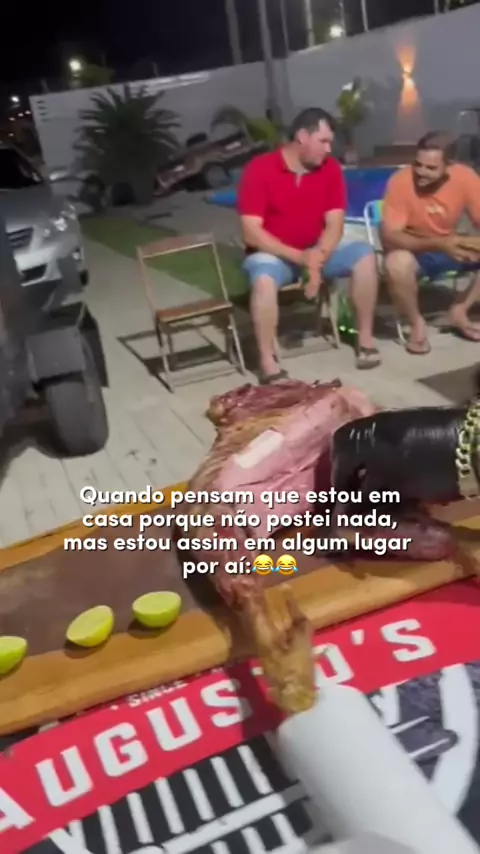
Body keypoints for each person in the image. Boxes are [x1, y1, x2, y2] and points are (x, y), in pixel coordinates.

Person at [237, 107, 380, 383]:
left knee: (364, 256)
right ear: (302, 136)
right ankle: (267, 361)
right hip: (273, 254)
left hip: (316, 251)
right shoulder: (260, 169)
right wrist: (300, 258)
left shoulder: (330, 169)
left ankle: (365, 340)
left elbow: (335, 224)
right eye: (323, 141)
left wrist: (317, 257)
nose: (328, 149)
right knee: (264, 279)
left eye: (330, 142)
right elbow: (251, 233)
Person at [381, 131, 480, 354]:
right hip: (416, 250)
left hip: (450, 245)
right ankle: (416, 322)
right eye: (418, 164)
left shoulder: (465, 177)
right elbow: (392, 236)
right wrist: (441, 243)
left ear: (448, 166)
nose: (421, 172)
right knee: (396, 263)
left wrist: (466, 243)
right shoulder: (400, 181)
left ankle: (460, 310)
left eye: (431, 168)